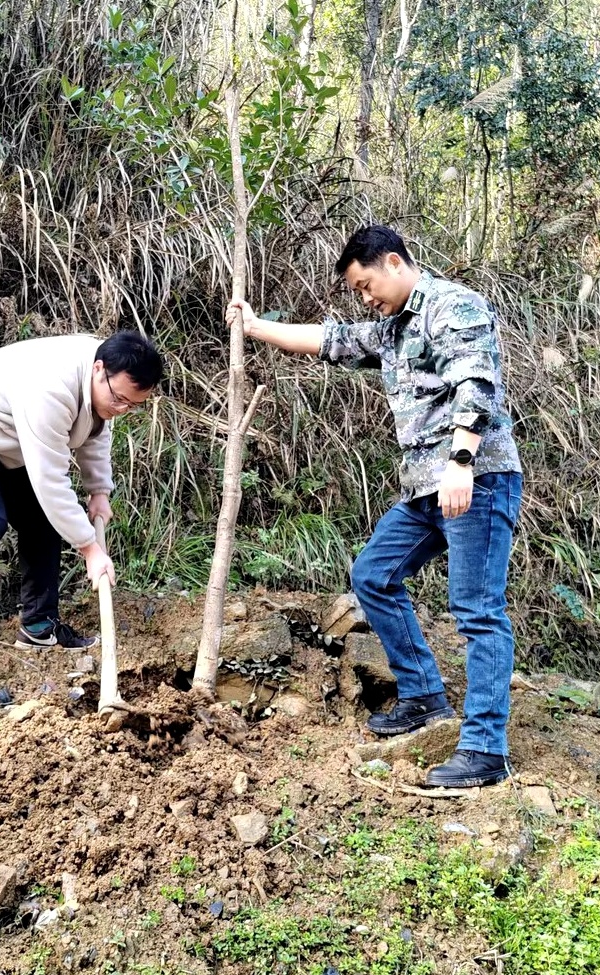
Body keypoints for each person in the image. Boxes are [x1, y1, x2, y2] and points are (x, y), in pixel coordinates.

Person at [231, 225, 523, 788]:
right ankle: (424, 696)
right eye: (357, 292)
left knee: (477, 611)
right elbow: (331, 340)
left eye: (366, 285)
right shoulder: (392, 329)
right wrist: (255, 326)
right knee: (373, 575)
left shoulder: (452, 306)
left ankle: (486, 749)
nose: (364, 298)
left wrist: (461, 460)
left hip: (475, 479)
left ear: (393, 262)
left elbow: (476, 382)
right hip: (424, 489)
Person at [0, 330, 163, 683]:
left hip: (2, 437)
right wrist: (90, 548)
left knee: (42, 521)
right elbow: (50, 480)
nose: (121, 409)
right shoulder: (51, 387)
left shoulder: (104, 376)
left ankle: (39, 626)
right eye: (119, 399)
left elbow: (96, 429)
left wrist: (99, 490)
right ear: (99, 369)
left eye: (132, 405)